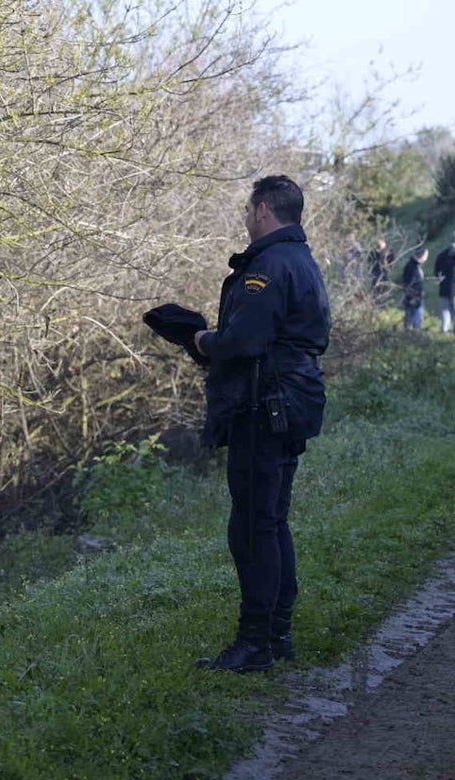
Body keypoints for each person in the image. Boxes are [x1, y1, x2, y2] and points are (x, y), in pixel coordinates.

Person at [192, 175, 332, 672]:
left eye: (250, 210)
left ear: (266, 209)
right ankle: (276, 634)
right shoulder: (302, 259)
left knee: (252, 526)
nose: (246, 218)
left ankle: (255, 644)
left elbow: (243, 343)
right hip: (289, 402)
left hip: (265, 407)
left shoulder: (269, 264)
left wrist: (201, 340)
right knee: (271, 521)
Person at [402, 246, 429, 330]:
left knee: (412, 317)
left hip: (416, 296)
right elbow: (409, 283)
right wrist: (412, 296)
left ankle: (412, 332)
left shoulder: (416, 266)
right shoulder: (412, 267)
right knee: (415, 319)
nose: (426, 258)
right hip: (414, 297)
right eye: (426, 255)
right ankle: (414, 334)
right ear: (422, 255)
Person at [367, 235, 395, 299]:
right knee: (375, 292)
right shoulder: (373, 252)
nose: (377, 244)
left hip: (385, 275)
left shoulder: (389, 251)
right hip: (375, 275)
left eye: (379, 242)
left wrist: (385, 265)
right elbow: (369, 263)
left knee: (384, 292)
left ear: (383, 241)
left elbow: (391, 264)